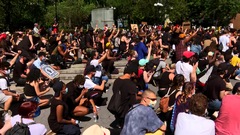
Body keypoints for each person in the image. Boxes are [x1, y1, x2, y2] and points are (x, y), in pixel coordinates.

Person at [109, 61, 140, 128]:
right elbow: (133, 101)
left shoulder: (117, 80)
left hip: (116, 107)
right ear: (133, 73)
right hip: (125, 110)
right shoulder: (131, 84)